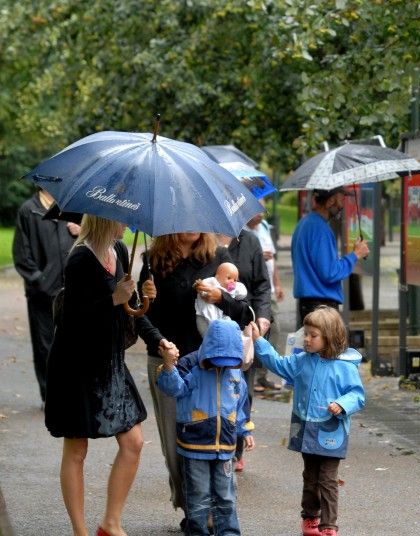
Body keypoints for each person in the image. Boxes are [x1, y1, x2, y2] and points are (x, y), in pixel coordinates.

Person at [44, 215, 156, 536]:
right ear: (106, 219)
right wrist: (112, 299)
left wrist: (142, 298)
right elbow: (74, 318)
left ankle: (110, 522)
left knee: (133, 442)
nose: (128, 225)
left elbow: (126, 309)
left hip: (109, 362)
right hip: (76, 364)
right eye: (123, 219)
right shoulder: (81, 258)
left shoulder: (119, 250)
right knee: (76, 450)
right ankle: (80, 530)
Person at [136, 232, 249, 529]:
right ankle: (192, 509)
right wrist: (147, 302)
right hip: (168, 360)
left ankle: (210, 512)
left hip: (211, 365)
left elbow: (242, 312)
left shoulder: (219, 259)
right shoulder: (154, 261)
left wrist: (220, 297)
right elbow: (138, 315)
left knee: (211, 438)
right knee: (175, 446)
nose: (190, 225)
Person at [252, 306, 366, 536]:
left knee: (328, 480)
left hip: (332, 429)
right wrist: (259, 341)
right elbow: (277, 363)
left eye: (313, 336)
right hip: (306, 426)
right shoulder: (302, 361)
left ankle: (329, 525)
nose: (307, 340)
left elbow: (357, 395)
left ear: (330, 337)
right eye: (306, 334)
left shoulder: (345, 366)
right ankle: (310, 516)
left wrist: (342, 404)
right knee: (310, 477)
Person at [156, 318, 253, 536]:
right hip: (194, 446)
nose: (222, 365)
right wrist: (169, 366)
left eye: (228, 361)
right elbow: (173, 390)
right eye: (218, 360)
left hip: (226, 446)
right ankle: (196, 531)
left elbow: (240, 404)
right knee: (197, 495)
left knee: (226, 495)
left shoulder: (235, 372)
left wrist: (245, 431)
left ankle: (228, 532)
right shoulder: (191, 364)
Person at [12, 187, 80, 405]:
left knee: (72, 344)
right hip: (42, 294)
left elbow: (92, 243)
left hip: (72, 291)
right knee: (45, 347)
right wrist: (40, 281)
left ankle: (71, 393)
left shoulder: (71, 207)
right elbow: (21, 255)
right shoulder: (28, 211)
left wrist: (82, 231)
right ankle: (50, 398)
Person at [218, 228, 272, 472]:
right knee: (216, 391)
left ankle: (236, 448)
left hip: (245, 330)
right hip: (214, 330)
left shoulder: (250, 241)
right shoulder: (205, 240)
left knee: (242, 391)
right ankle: (216, 447)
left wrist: (263, 316)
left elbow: (262, 286)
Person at [291, 187, 369, 328]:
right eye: (341, 199)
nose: (342, 205)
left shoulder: (304, 224)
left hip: (309, 304)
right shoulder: (321, 229)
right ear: (331, 200)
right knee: (326, 350)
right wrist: (355, 255)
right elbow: (330, 273)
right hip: (321, 308)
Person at [248, 211, 285, 392]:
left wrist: (277, 284)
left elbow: (273, 262)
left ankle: (262, 375)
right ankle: (255, 377)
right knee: (262, 332)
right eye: (257, 210)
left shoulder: (263, 228)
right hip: (255, 292)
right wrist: (258, 256)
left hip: (268, 289)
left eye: (263, 210)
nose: (261, 214)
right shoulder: (243, 233)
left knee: (273, 331)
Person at [194, 262, 248, 335]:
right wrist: (202, 289)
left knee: (228, 326)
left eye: (235, 280)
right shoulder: (212, 282)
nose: (232, 281)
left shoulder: (233, 289)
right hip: (204, 315)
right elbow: (203, 286)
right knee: (207, 333)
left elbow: (242, 293)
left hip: (221, 317)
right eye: (229, 278)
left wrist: (237, 290)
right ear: (217, 277)